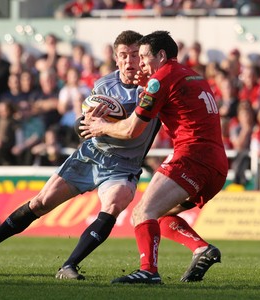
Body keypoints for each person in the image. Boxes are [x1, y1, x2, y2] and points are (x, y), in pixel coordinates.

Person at [0, 30, 160, 280]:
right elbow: (81, 127)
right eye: (123, 55)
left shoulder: (153, 88)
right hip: (91, 155)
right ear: (116, 59)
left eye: (135, 55)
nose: (129, 61)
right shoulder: (104, 84)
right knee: (40, 203)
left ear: (143, 57)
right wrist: (86, 122)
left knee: (114, 204)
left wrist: (107, 126)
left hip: (123, 164)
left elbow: (139, 130)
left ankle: (69, 265)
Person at [81, 30, 228, 284]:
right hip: (217, 165)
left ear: (161, 55)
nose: (141, 64)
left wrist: (100, 126)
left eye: (144, 57)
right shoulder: (193, 76)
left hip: (191, 158)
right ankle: (201, 249)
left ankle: (148, 270)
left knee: (142, 212)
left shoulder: (161, 79)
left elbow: (130, 130)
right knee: (161, 215)